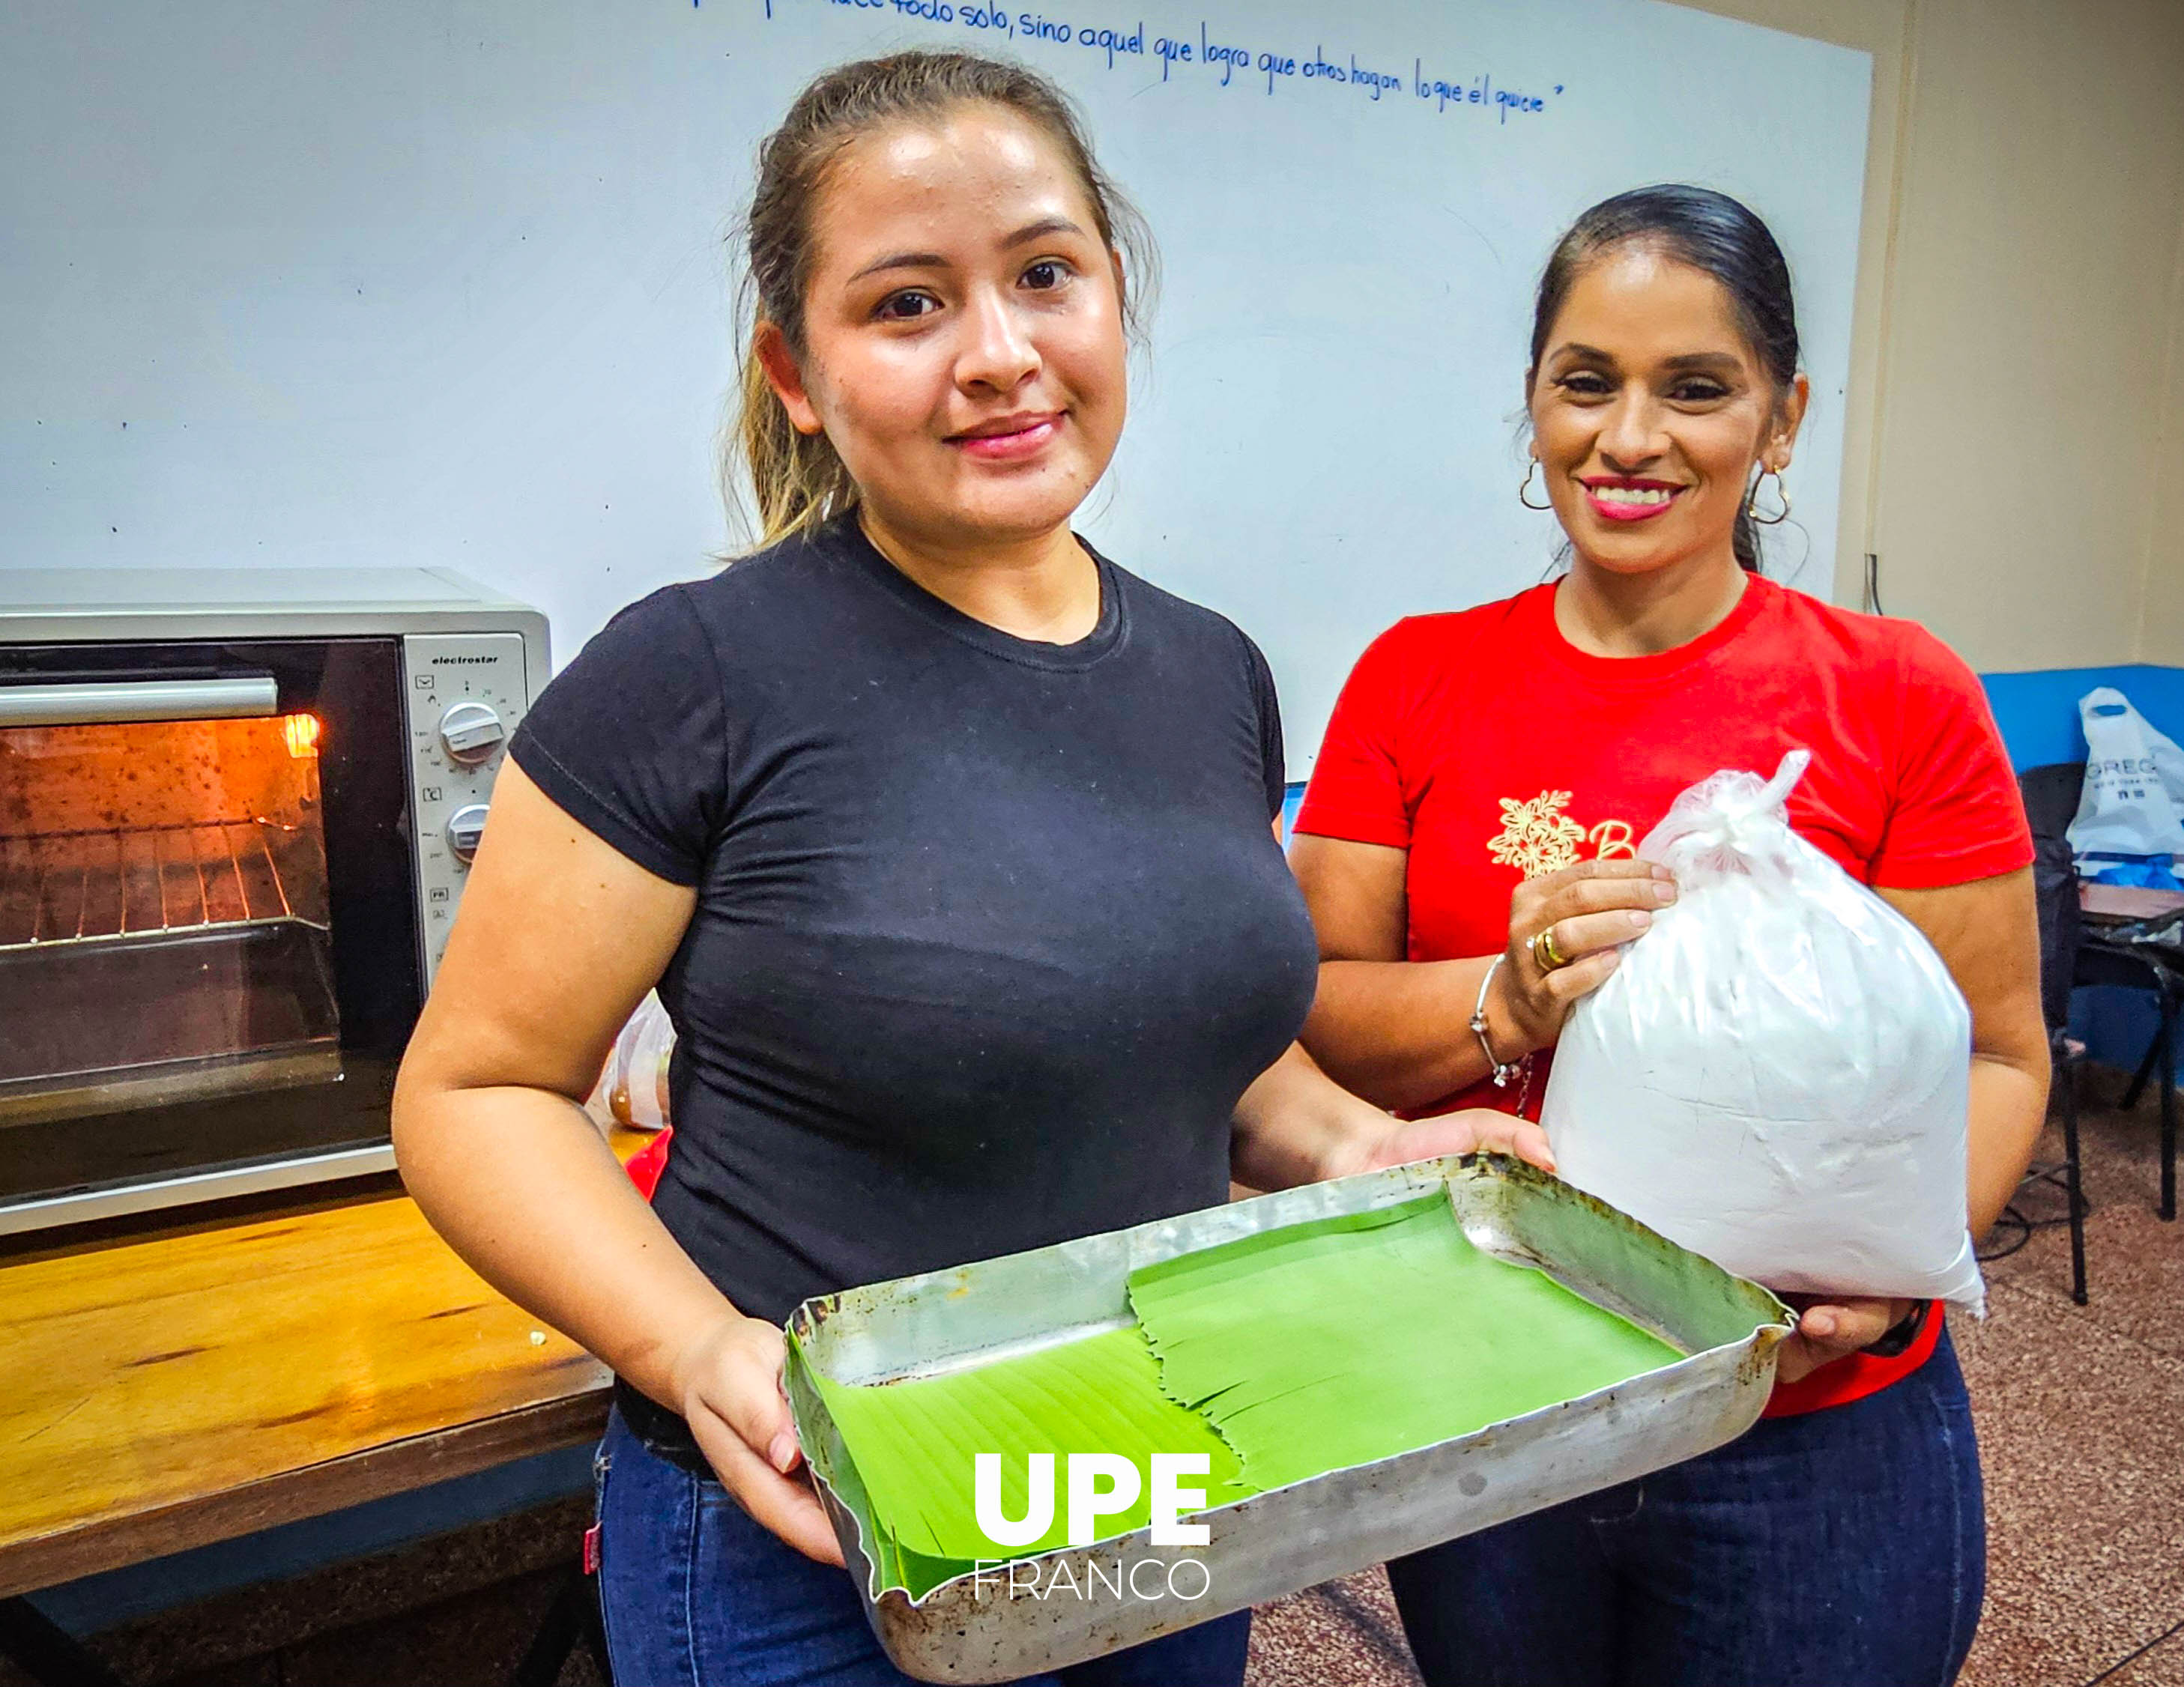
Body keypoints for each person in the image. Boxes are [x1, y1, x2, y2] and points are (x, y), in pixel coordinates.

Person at [392, 51, 1544, 1687]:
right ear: (796, 373)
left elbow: (1177, 1040)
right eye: (908, 304)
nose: (999, 354)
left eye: (1045, 275)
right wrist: (694, 1347)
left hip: (1151, 1470)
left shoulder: (1213, 671)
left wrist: (1364, 1142)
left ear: (1114, 294)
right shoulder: (694, 674)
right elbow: (478, 1091)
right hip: (814, 1521)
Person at [1289, 185, 2048, 1687]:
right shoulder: (1415, 680)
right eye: (1588, 382)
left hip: (1810, 1427)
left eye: (1696, 388)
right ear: (1533, 403)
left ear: (1782, 419)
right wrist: (1509, 1000)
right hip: (1492, 1398)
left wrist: (1891, 1268)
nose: (1630, 438)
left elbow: (2003, 1055)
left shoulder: (1898, 694)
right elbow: (1312, 1021)